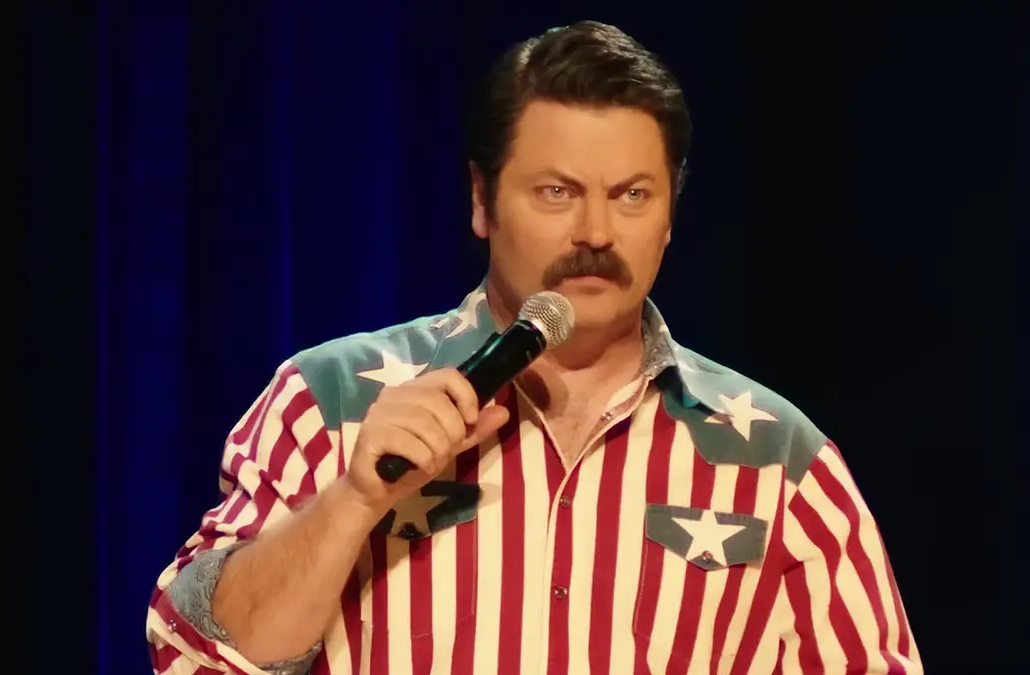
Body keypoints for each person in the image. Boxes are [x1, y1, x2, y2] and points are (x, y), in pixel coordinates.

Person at [146, 20, 921, 675]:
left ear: (670, 216)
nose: (595, 232)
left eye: (632, 195)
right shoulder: (330, 403)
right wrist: (352, 501)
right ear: (481, 200)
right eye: (557, 192)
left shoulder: (782, 463)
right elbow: (189, 659)